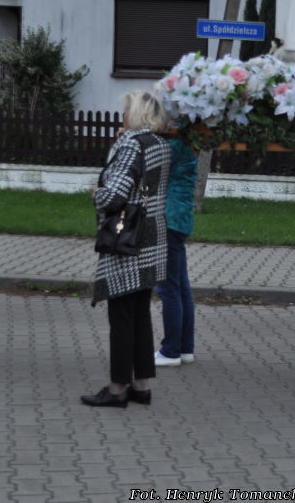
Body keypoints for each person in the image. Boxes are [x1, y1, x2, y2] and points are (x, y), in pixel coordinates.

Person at [81, 91, 171, 408]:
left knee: (121, 316)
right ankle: (141, 386)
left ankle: (117, 388)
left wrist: (97, 193)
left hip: (126, 240)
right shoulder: (160, 144)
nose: (122, 115)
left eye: (125, 111)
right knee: (140, 314)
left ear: (137, 114)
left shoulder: (132, 144)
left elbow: (115, 194)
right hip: (151, 238)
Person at [154, 137, 199, 367]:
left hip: (169, 217)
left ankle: (170, 351)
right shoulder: (189, 142)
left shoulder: (174, 144)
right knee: (180, 287)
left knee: (168, 288)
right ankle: (184, 348)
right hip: (179, 218)